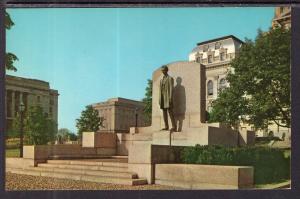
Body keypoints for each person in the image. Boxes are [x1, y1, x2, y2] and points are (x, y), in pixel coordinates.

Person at [159, 65, 177, 132]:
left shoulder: (170, 78)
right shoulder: (161, 80)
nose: (162, 71)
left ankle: (174, 126)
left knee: (170, 112)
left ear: (166, 70)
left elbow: (171, 89)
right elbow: (160, 90)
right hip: (163, 97)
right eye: (162, 70)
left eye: (163, 70)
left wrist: (170, 98)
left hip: (168, 97)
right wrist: (160, 99)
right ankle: (166, 126)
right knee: (164, 112)